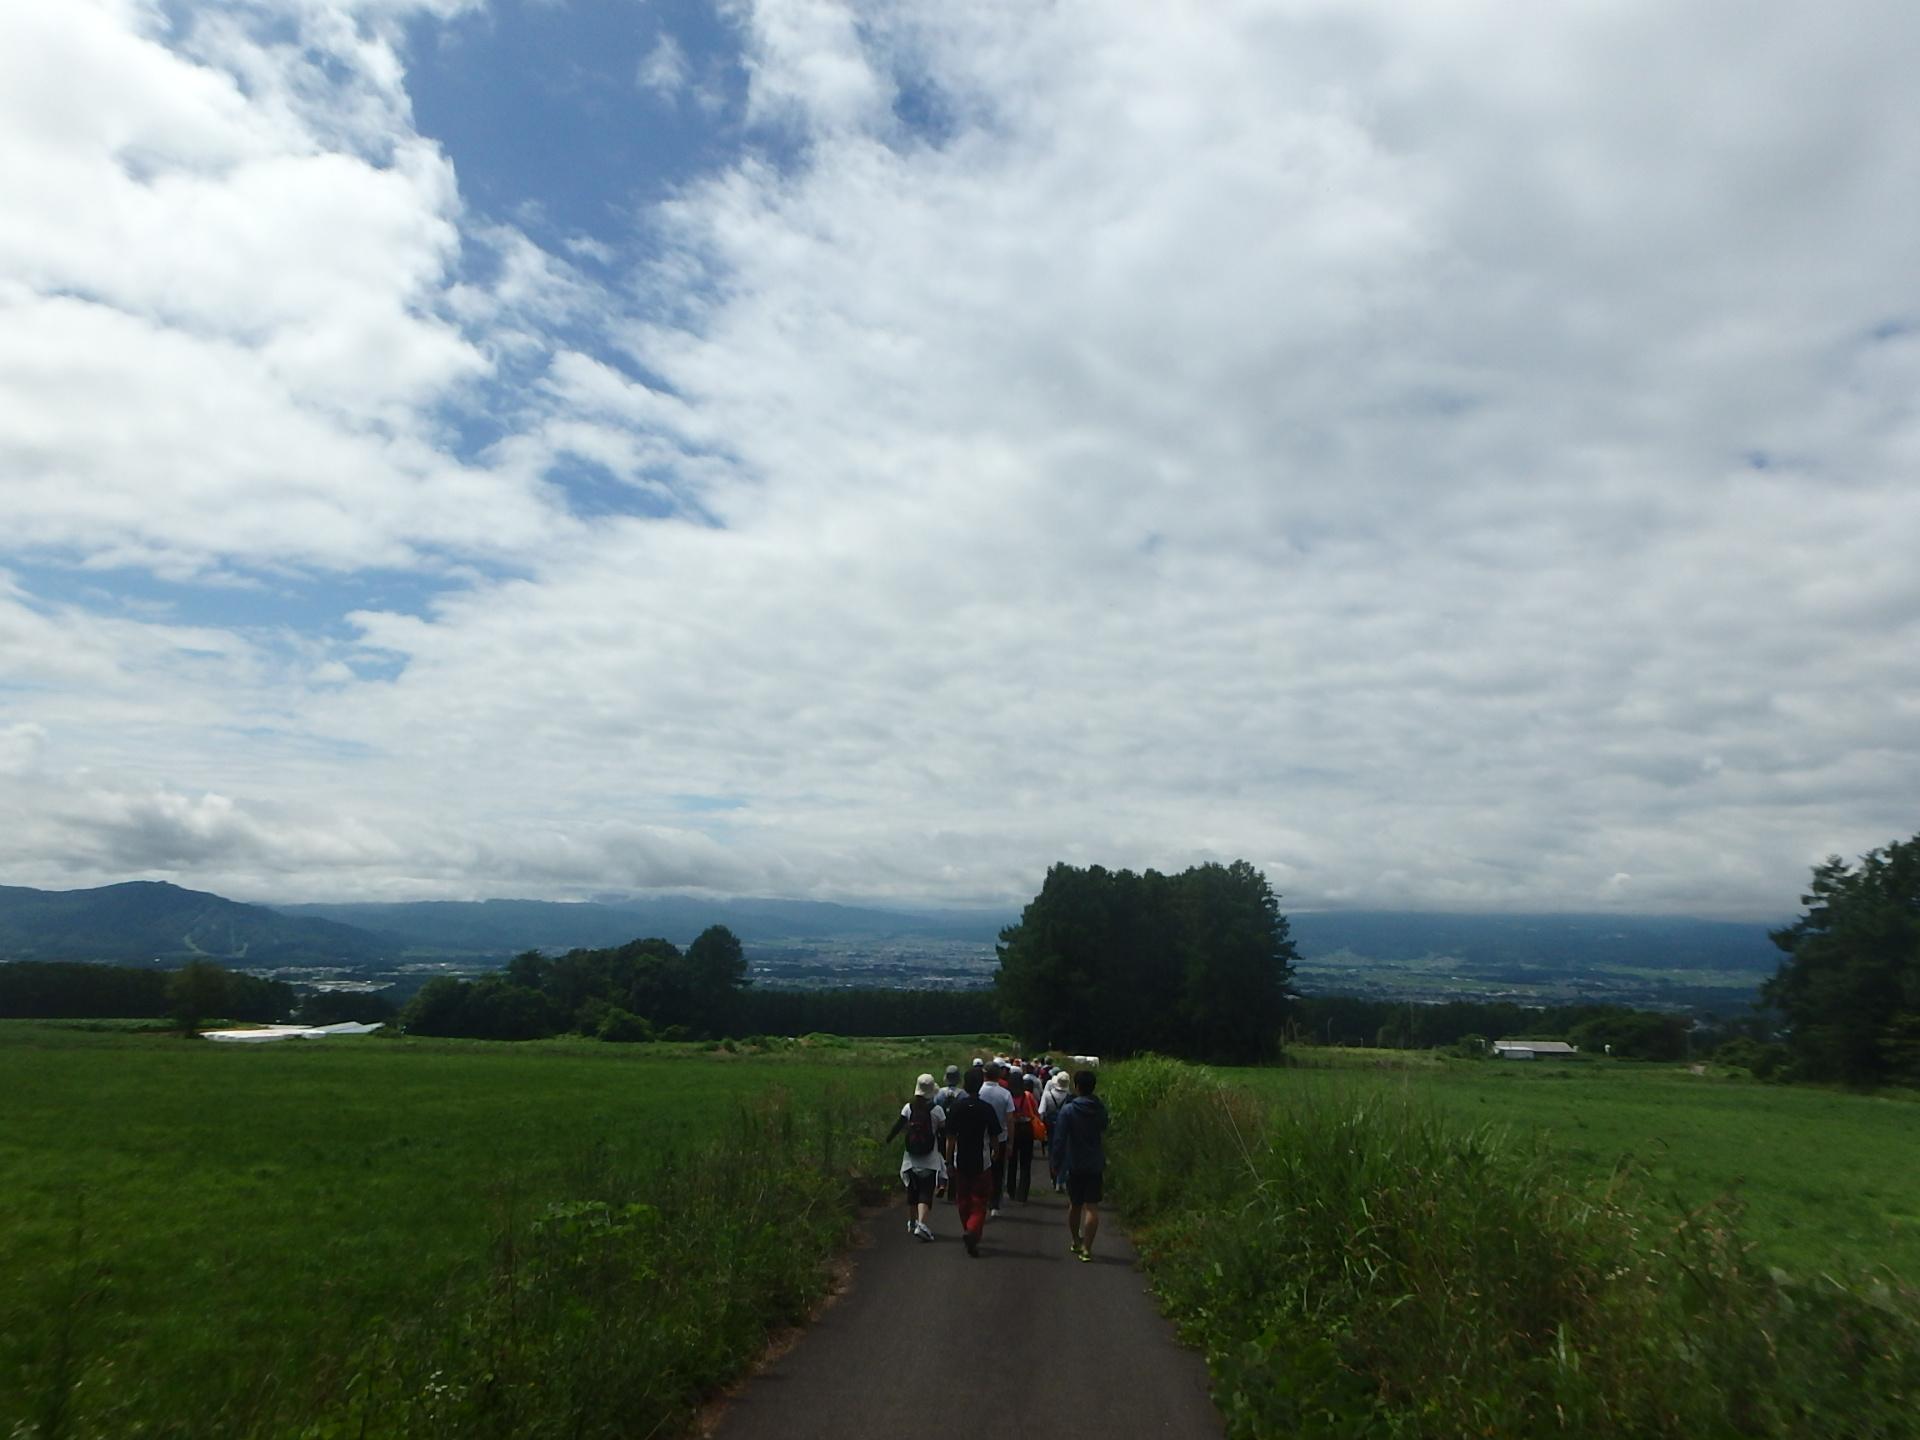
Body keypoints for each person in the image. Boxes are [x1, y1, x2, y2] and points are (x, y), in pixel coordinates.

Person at [943, 1067, 1003, 1256]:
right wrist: (996, 1151)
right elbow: (995, 1137)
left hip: (961, 1160)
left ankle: (968, 1229)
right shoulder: (986, 1108)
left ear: (964, 1084)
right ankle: (972, 1230)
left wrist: (948, 1161)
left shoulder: (956, 1107)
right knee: (980, 1201)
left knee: (963, 1200)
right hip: (982, 1161)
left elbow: (950, 1138)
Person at [1050, 1069, 1108, 1261]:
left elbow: (1059, 1139)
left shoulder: (1069, 1110)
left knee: (1075, 1205)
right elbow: (1104, 1126)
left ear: (1076, 1086)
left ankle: (1076, 1240)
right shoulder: (1099, 1108)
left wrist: (1056, 1162)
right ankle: (1087, 1249)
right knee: (1092, 1207)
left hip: (1074, 1163)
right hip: (1095, 1163)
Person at [883, 1073, 946, 1241]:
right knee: (925, 1192)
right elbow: (944, 1132)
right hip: (930, 1158)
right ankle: (922, 1224)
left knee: (912, 1191)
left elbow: (898, 1126)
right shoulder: (937, 1110)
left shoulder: (908, 1108)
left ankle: (912, 1222)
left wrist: (887, 1140)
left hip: (910, 1158)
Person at [978, 1062, 1016, 1215]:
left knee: (981, 1170)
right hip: (1000, 1138)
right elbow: (1010, 1119)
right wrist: (1011, 1143)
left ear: (984, 1074)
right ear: (998, 1075)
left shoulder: (978, 1091)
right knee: (998, 1172)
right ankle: (994, 1204)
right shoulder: (1005, 1094)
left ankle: (982, 1200)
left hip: (980, 1137)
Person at [1004, 1067, 1038, 1203]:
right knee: (1025, 1164)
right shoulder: (1028, 1096)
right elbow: (1035, 1111)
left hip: (1012, 1129)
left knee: (1011, 1162)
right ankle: (1023, 1194)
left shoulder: (1007, 1096)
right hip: (1026, 1130)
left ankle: (1011, 1190)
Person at [932, 1064, 965, 1198]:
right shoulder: (963, 1094)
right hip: (957, 1131)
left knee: (941, 1157)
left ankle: (941, 1183)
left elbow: (935, 1109)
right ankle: (953, 1188)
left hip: (942, 1130)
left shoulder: (939, 1093)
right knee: (954, 1158)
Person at [1038, 1067, 1074, 1192]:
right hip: (1066, 1126)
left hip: (1051, 1126)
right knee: (1065, 1151)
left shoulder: (1048, 1095)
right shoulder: (1069, 1097)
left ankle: (1053, 1176)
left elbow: (1041, 1111)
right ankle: (1061, 1179)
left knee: (1053, 1151)